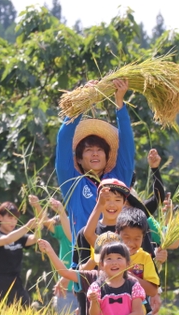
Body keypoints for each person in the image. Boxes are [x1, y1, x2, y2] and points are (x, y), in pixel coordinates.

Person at [56, 79, 135, 238]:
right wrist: (83, 102)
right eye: (88, 150)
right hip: (83, 260)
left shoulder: (118, 179)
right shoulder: (73, 183)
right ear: (78, 159)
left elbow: (127, 146)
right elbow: (63, 140)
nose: (95, 154)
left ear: (107, 157)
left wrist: (119, 104)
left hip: (117, 259)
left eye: (100, 150)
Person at [28, 195, 76, 315]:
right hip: (65, 290)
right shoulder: (66, 224)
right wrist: (37, 205)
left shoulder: (91, 227)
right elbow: (46, 222)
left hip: (86, 288)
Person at [0, 201, 39, 307]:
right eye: (10, 218)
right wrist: (27, 227)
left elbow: (34, 239)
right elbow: (7, 239)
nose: (13, 222)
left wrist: (38, 227)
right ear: (0, 218)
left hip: (15, 282)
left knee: (26, 313)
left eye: (15, 219)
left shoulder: (18, 236)